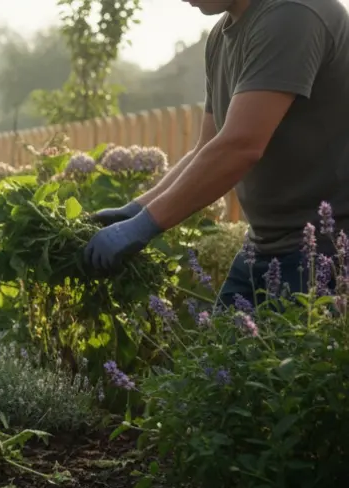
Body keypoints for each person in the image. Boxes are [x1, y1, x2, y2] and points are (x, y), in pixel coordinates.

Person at [83, 0, 349, 307]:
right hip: (265, 247)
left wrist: (145, 225)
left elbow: (240, 146)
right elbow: (207, 149)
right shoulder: (221, 38)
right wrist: (134, 210)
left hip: (327, 253)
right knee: (220, 353)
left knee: (290, 354)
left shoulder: (294, 14)